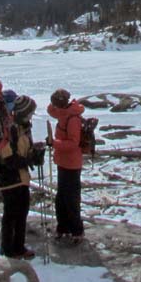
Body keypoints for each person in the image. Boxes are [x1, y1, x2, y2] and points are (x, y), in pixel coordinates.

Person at [0, 94, 38, 259]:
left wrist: (35, 156)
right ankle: (10, 249)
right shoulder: (10, 129)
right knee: (12, 215)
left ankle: (17, 247)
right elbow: (7, 157)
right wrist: (27, 160)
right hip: (10, 178)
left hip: (21, 178)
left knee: (21, 214)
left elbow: (25, 151)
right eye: (30, 113)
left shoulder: (24, 128)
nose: (31, 116)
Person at [47, 88, 85, 243]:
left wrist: (54, 143)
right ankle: (63, 227)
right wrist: (53, 103)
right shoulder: (63, 113)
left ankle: (77, 231)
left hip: (72, 164)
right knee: (61, 198)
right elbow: (51, 111)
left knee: (71, 199)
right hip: (63, 162)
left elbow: (73, 143)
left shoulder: (73, 119)